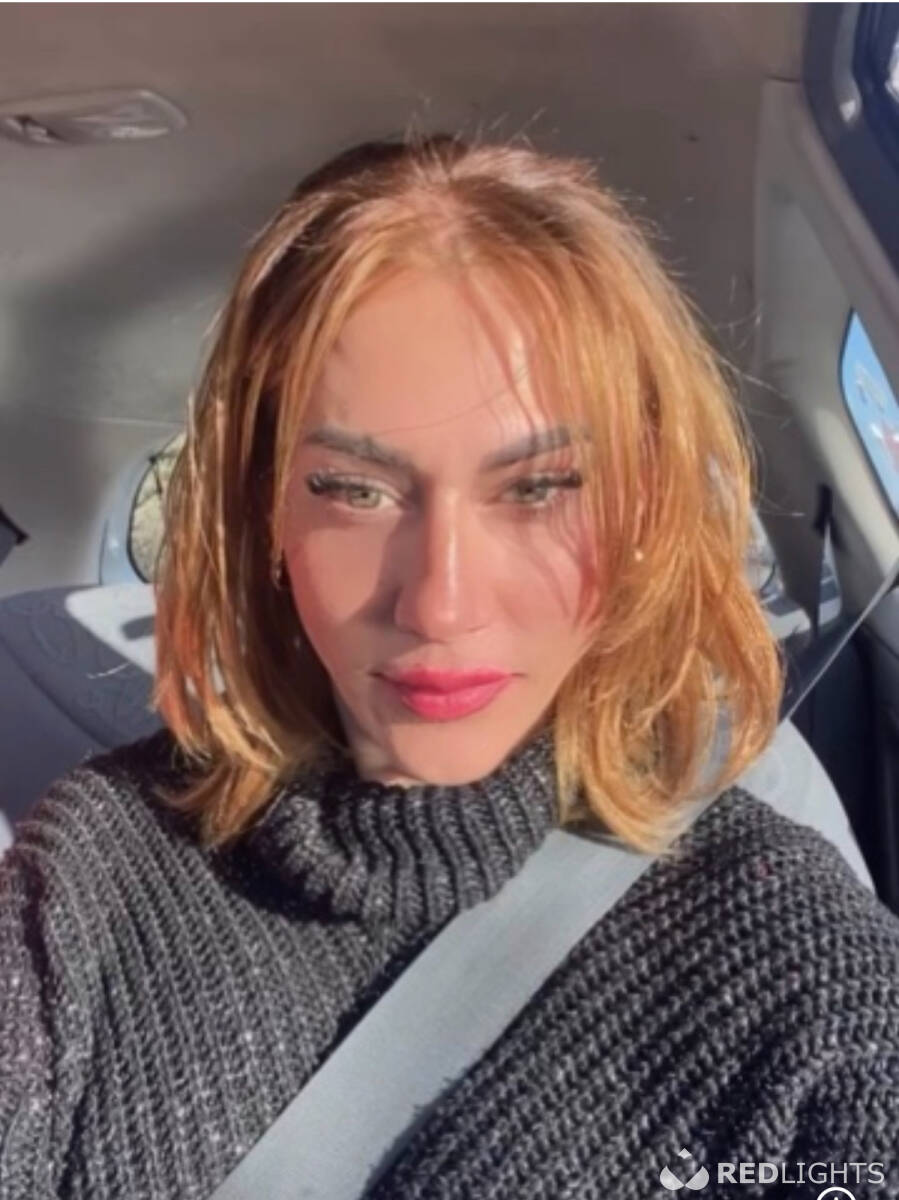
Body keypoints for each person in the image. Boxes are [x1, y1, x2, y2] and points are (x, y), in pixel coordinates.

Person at [2, 133, 898, 1200]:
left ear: (644, 505)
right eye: (353, 490)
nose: (439, 603)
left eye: (538, 488)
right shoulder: (91, 877)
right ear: (263, 510)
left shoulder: (807, 985)